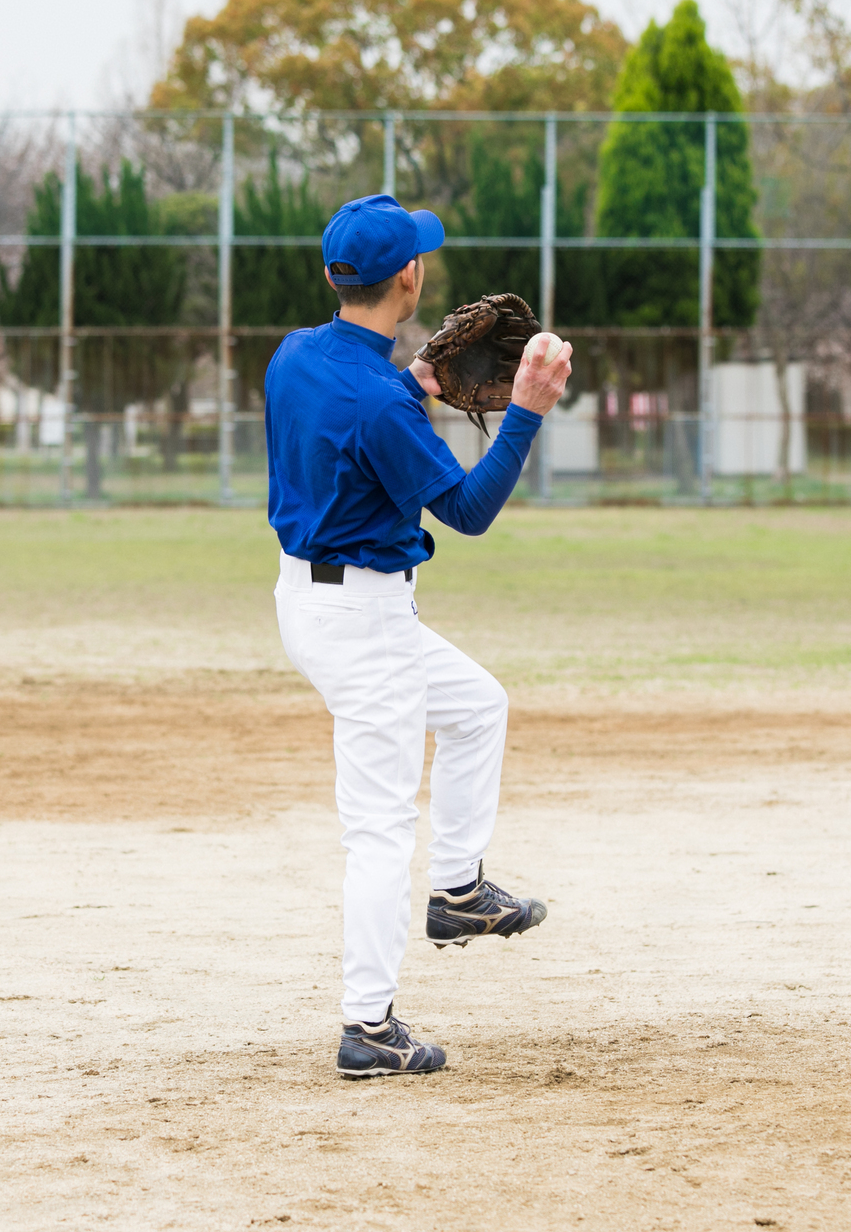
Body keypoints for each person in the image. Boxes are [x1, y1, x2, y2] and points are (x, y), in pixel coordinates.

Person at [263, 193, 572, 1078]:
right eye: (419, 254)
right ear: (409, 276)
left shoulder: (299, 356)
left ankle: (461, 892)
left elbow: (350, 414)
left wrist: (414, 384)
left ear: (334, 276)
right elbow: (467, 512)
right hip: (361, 620)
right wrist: (527, 409)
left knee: (478, 707)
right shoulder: (381, 405)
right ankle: (368, 1027)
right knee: (378, 831)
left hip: (317, 601)